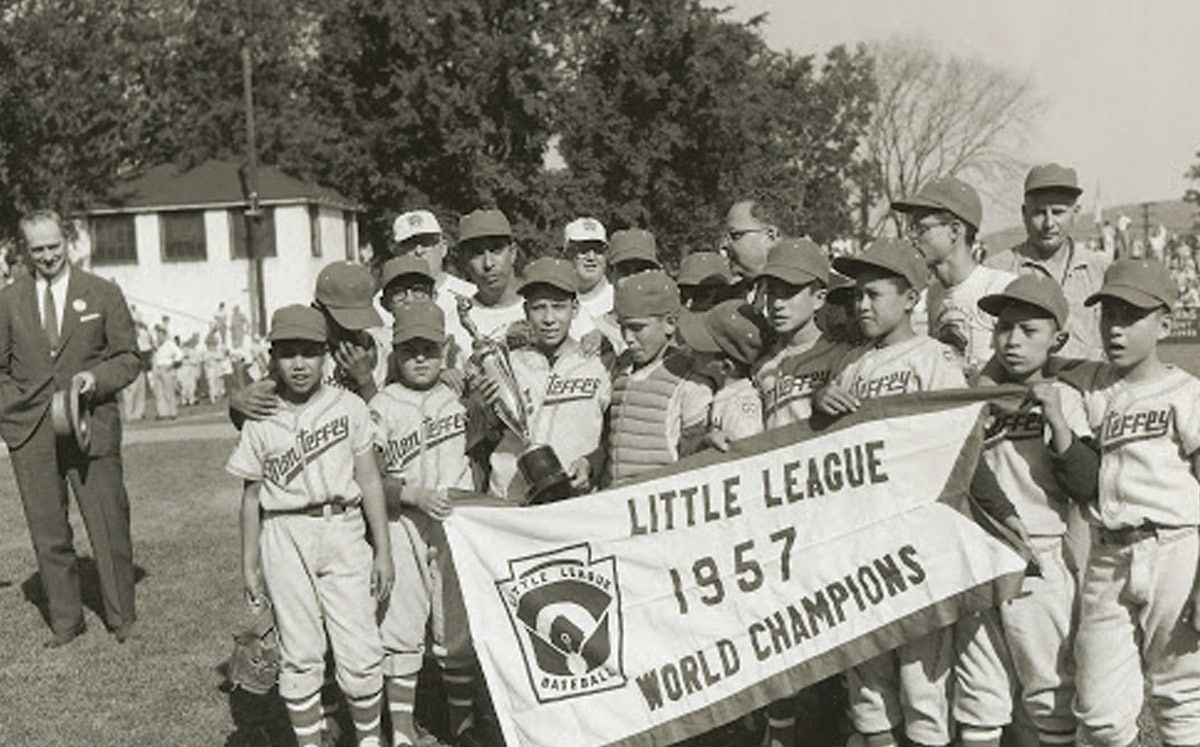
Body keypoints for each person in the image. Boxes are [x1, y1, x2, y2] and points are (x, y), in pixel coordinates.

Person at [814, 239, 970, 747]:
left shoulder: (934, 357)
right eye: (857, 295)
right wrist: (824, 405)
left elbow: (958, 444)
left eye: (875, 294)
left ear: (910, 299)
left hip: (916, 540)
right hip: (863, 538)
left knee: (922, 685)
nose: (862, 306)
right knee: (870, 687)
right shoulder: (854, 366)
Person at [226, 304, 394, 747]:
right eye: (287, 354)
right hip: (284, 532)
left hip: (344, 527)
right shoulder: (260, 417)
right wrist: (249, 562)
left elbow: (369, 479)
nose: (299, 364)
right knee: (300, 654)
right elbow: (250, 496)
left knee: (359, 652)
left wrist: (384, 551)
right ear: (273, 359)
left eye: (309, 353)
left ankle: (370, 741)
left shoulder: (351, 406)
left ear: (326, 356)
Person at [1058, 259, 1200, 747]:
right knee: (1097, 712)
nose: (1115, 328)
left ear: (1164, 323)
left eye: (1131, 316)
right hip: (1107, 554)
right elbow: (1034, 364)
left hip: (1175, 550)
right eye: (1108, 315)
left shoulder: (1186, 393)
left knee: (1181, 700)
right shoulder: (1092, 385)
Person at [954, 275, 1092, 746]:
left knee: (1050, 693)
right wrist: (981, 395)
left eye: (1028, 330)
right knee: (978, 699)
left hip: (1041, 555)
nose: (1012, 340)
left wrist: (1055, 418)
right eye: (1004, 328)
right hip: (980, 554)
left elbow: (1086, 483)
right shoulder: (978, 397)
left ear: (1058, 339)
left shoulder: (1066, 397)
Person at [0, 209, 141, 646]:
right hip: (32, 431)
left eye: (54, 247)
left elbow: (128, 358)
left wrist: (94, 380)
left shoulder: (102, 292)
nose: (47, 256)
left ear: (68, 241)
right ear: (26, 248)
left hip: (91, 426)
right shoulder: (8, 299)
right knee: (48, 530)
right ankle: (66, 621)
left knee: (108, 523)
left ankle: (122, 618)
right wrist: (13, 409)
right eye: (37, 249)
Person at [370, 300, 475, 747]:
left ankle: (465, 725)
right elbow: (367, 477)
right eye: (409, 348)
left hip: (454, 525)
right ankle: (402, 731)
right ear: (394, 351)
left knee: (455, 625)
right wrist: (410, 494)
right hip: (403, 523)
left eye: (428, 349)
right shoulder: (381, 403)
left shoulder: (456, 398)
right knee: (400, 624)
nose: (419, 357)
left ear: (445, 349)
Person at [476, 258, 611, 502]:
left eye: (558, 306)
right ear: (526, 311)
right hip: (511, 499)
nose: (549, 319)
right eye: (539, 308)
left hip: (574, 497)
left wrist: (592, 463)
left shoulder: (599, 364)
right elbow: (487, 437)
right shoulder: (507, 365)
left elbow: (613, 437)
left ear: (575, 309)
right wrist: (485, 412)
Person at [892, 176, 1017, 379]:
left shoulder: (1002, 287)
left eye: (921, 228)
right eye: (911, 229)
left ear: (955, 230)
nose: (912, 238)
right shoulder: (934, 294)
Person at [985, 164, 1108, 360]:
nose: (1049, 223)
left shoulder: (1100, 269)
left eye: (1058, 212)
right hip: (1024, 387)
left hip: (1089, 383)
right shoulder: (997, 268)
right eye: (1039, 212)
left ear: (1076, 213)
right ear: (1024, 214)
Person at [604, 271, 712, 486]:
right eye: (623, 327)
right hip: (615, 501)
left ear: (670, 323)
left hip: (660, 500)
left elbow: (693, 457)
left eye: (637, 328)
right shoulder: (620, 367)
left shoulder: (689, 380)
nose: (628, 338)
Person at [752, 237, 845, 430]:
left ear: (818, 299)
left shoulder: (841, 355)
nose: (777, 303)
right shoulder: (761, 367)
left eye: (789, 292)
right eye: (772, 292)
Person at [678, 299, 766, 450]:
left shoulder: (742, 404)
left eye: (701, 349)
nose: (692, 351)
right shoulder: (724, 393)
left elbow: (743, 455)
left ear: (726, 366)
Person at [389, 209, 476, 359]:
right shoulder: (386, 301)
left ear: (443, 248)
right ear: (396, 252)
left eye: (426, 243)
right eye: (409, 245)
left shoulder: (472, 294)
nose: (418, 251)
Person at [455, 209, 526, 347]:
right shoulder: (455, 324)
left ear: (512, 253)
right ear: (465, 260)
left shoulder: (545, 311)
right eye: (477, 253)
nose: (488, 263)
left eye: (496, 250)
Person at [720, 199, 781, 291]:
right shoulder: (727, 297)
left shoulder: (805, 297)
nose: (724, 245)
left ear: (771, 235)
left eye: (735, 235)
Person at [149, 324, 182, 419]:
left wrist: (172, 364)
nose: (159, 336)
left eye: (160, 334)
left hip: (166, 368)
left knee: (169, 392)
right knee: (159, 392)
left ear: (164, 334)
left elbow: (179, 354)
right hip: (157, 368)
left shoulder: (170, 344)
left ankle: (172, 412)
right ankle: (162, 413)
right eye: (157, 334)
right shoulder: (156, 345)